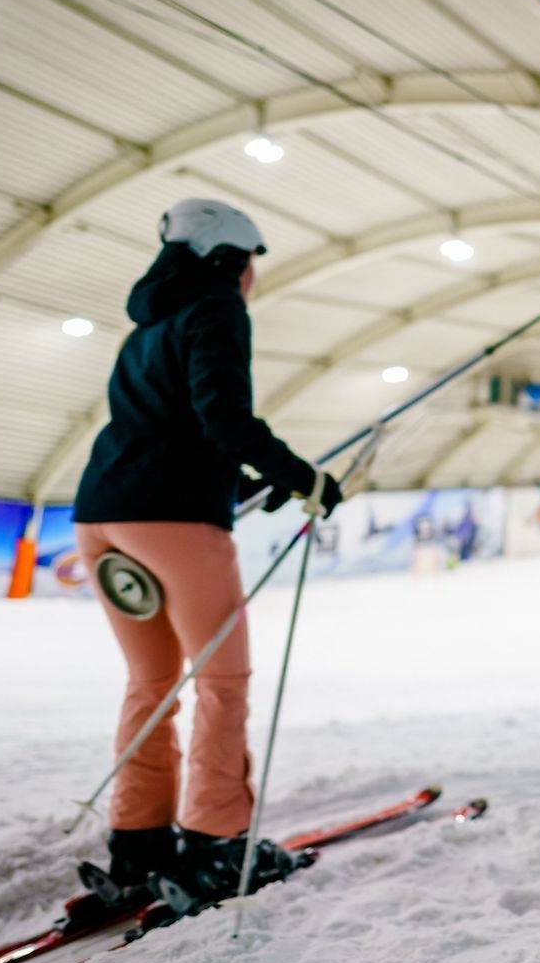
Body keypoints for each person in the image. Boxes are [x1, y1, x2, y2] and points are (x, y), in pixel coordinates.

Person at [72, 198, 343, 907]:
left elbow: (179, 423)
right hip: (173, 520)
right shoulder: (219, 308)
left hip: (102, 513)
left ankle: (140, 841)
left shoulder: (149, 324)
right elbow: (224, 413)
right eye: (251, 262)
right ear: (230, 258)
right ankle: (217, 843)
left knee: (151, 681)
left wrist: (249, 478)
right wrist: (303, 477)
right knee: (222, 681)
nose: (252, 276)